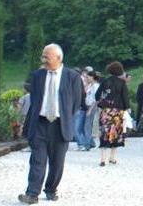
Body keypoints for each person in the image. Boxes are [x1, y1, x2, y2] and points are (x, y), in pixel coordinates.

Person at [18, 43, 82, 205]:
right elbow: (35, 100)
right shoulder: (37, 75)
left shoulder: (72, 76)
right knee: (37, 160)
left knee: (57, 162)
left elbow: (76, 102)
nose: (43, 59)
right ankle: (32, 193)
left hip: (60, 125)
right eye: (43, 56)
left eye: (47, 56)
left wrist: (65, 116)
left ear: (58, 58)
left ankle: (51, 189)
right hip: (40, 123)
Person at [95, 61, 131, 167]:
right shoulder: (122, 83)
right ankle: (112, 158)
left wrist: (101, 102)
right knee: (115, 133)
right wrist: (127, 108)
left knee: (104, 133)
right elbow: (125, 97)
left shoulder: (104, 82)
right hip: (117, 112)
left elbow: (97, 95)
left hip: (106, 111)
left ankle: (103, 159)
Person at [79, 70, 99, 151]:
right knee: (86, 125)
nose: (86, 79)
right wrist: (87, 84)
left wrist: (90, 110)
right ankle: (91, 142)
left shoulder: (96, 86)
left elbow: (95, 99)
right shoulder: (90, 85)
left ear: (92, 77)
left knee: (87, 126)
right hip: (87, 105)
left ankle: (87, 144)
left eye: (88, 77)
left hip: (92, 106)